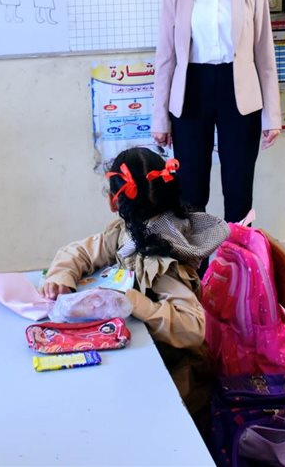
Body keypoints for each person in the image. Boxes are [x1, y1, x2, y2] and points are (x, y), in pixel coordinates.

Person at [40, 147, 227, 413]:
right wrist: (61, 276)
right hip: (143, 357)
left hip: (177, 379)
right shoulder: (129, 234)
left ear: (113, 202)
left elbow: (193, 328)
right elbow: (81, 251)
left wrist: (133, 302)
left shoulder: (159, 256)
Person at [152, 0, 281, 222]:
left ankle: (236, 253)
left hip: (239, 90)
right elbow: (166, 57)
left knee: (238, 187)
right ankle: (197, 254)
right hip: (191, 90)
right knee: (190, 189)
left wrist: (273, 115)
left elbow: (264, 53)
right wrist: (159, 118)